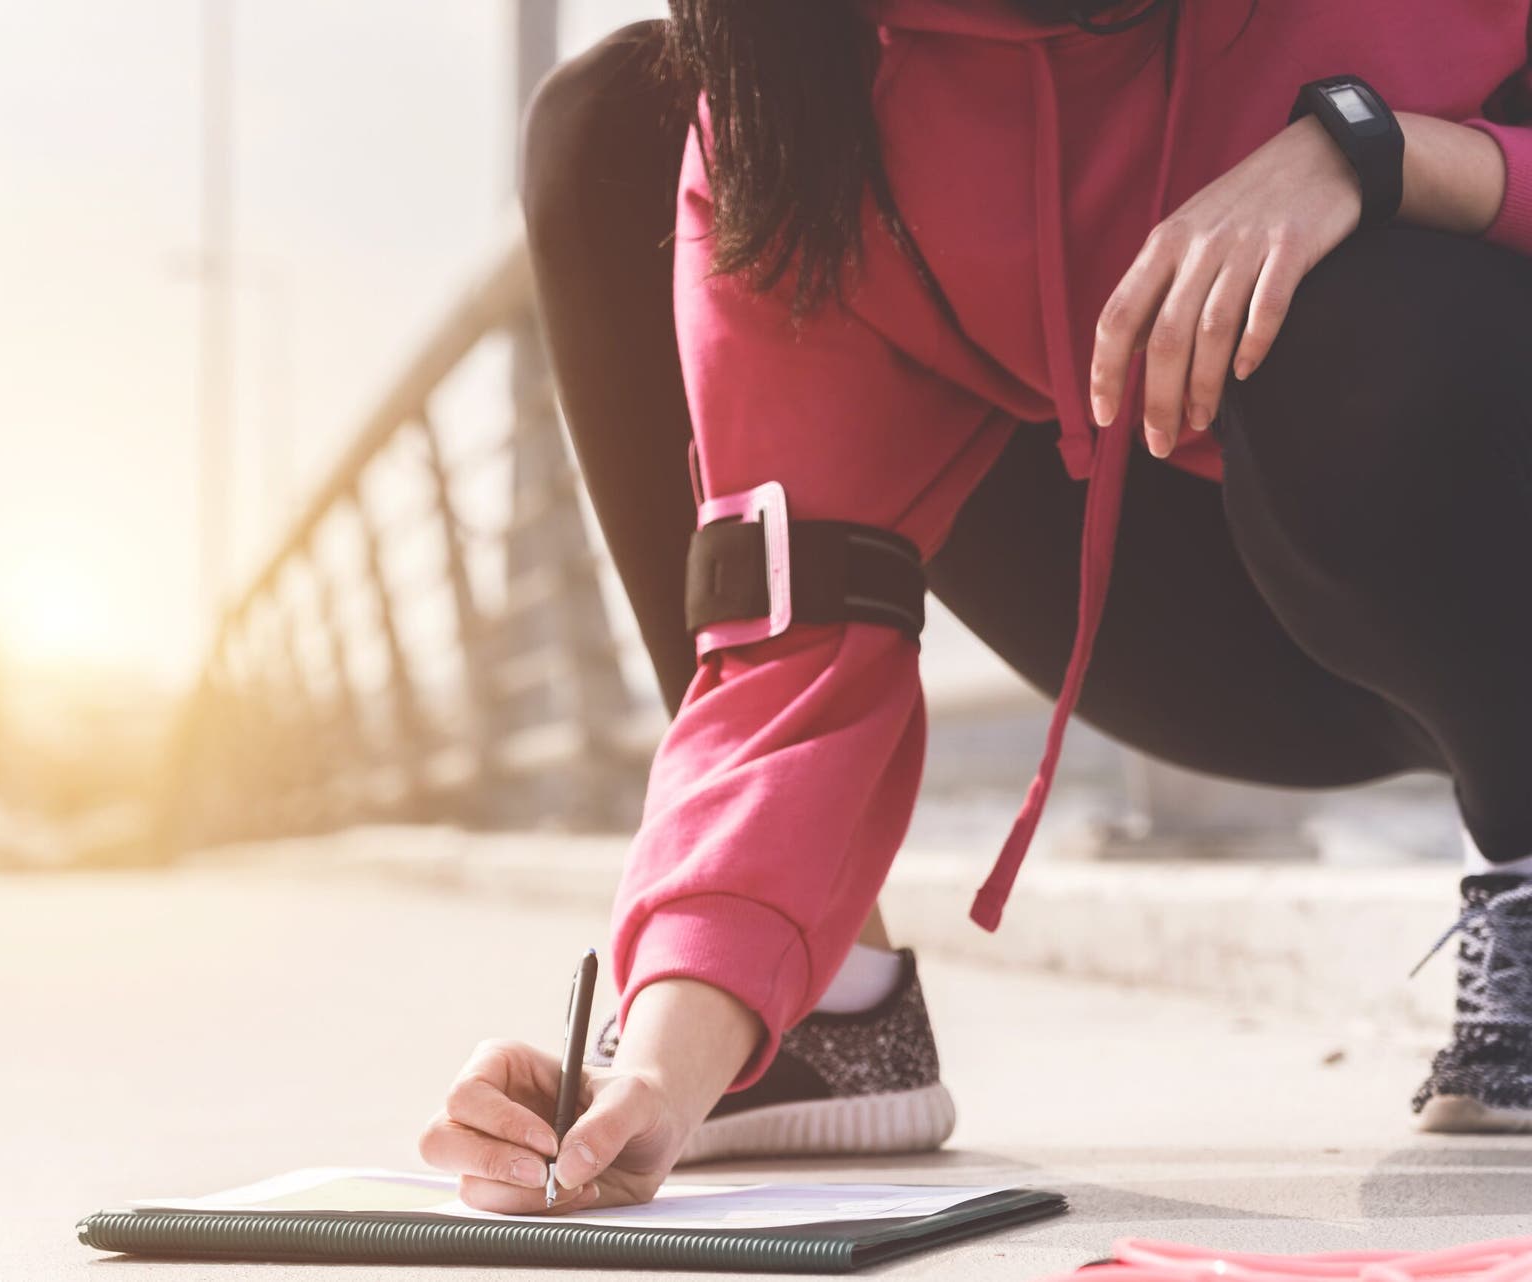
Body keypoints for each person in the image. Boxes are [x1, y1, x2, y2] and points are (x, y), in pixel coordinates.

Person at [420, 0, 1532, 1213]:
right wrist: (666, 1061)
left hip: (1473, 510)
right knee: (630, 124)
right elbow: (787, 641)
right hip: (1200, 630)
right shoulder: (837, 67)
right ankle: (822, 1012)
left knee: (1355, 313)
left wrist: (1383, 155)